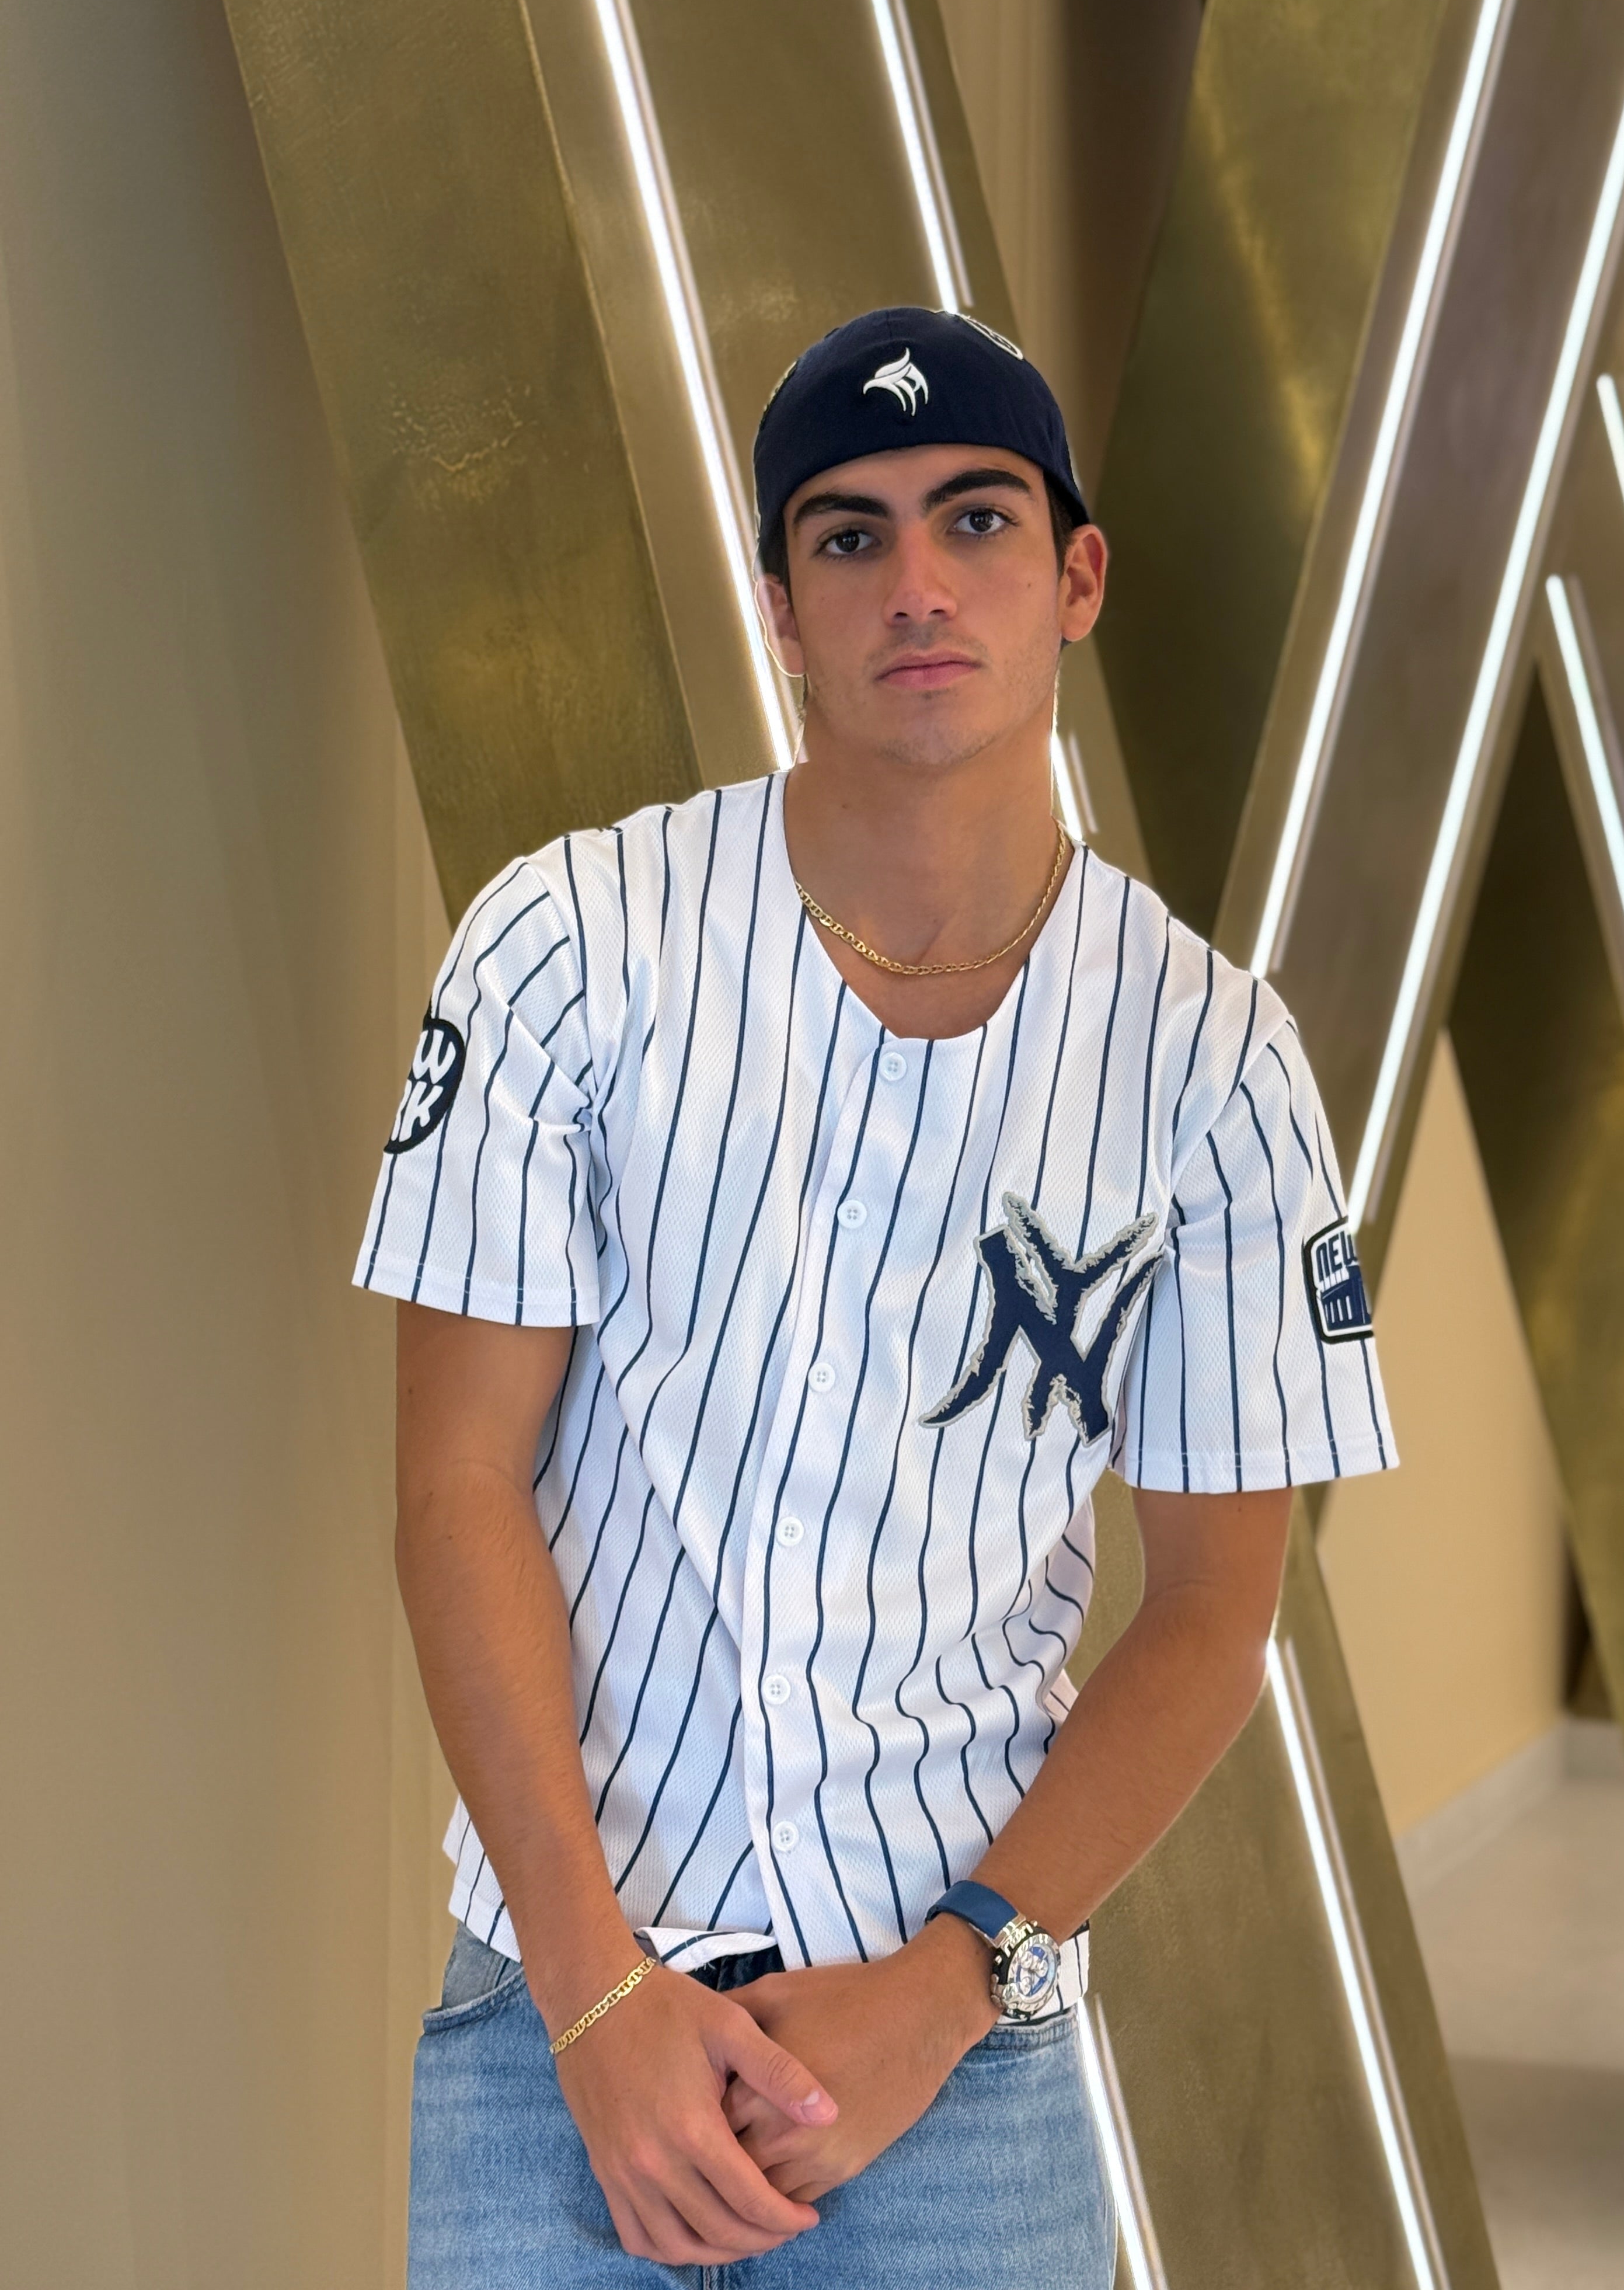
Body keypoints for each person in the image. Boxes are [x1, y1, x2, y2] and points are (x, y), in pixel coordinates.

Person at [360, 305, 1394, 2287]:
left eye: (977, 521)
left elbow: (1212, 1605)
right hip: (557, 2021)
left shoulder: (1216, 1062)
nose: (917, 585)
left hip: (954, 2066)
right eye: (847, 538)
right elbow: (455, 1492)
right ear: (780, 606)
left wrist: (945, 1990)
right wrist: (595, 2002)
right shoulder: (569, 950)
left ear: (1076, 576)